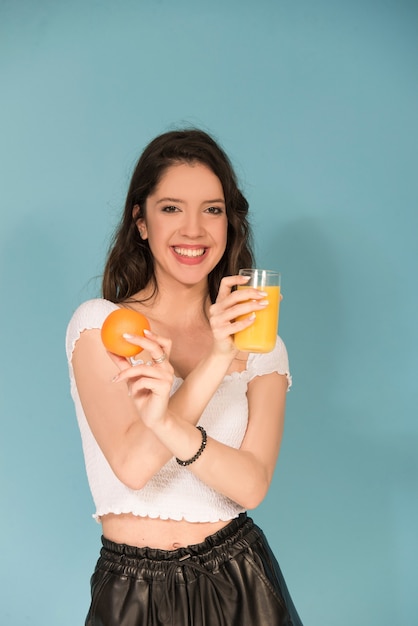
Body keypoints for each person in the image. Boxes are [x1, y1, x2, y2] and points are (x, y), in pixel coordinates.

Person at [66, 128, 303, 625]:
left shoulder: (261, 344)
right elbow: (132, 465)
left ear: (229, 222)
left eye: (212, 209)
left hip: (241, 579)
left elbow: (251, 485)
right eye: (172, 208)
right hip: (131, 588)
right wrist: (218, 360)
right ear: (141, 221)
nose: (193, 230)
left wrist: (171, 422)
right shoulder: (101, 326)